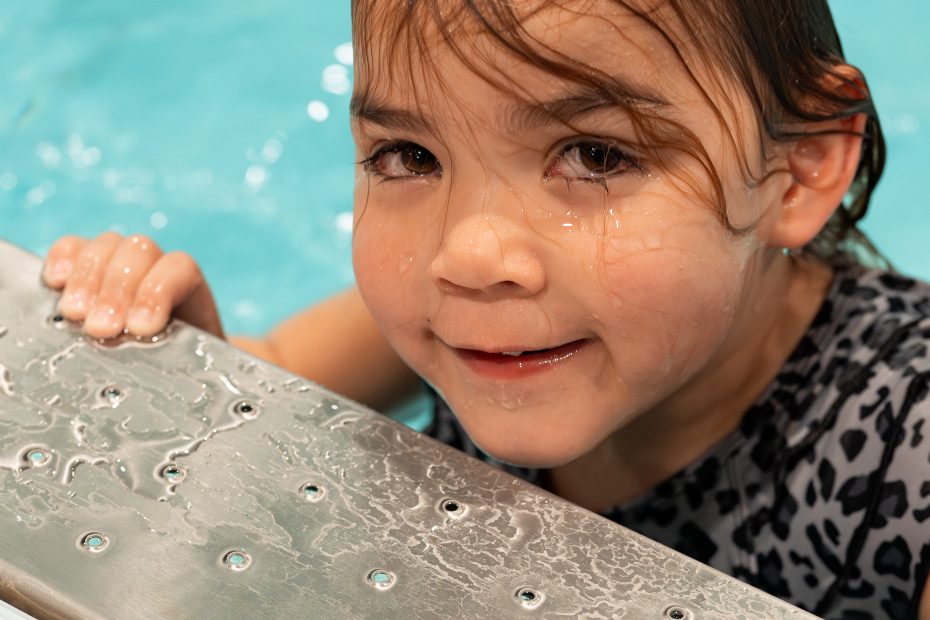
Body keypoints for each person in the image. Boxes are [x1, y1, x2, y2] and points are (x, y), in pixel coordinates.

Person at [41, 1, 929, 617]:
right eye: (408, 156)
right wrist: (192, 364)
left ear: (801, 165)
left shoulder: (909, 450)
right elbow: (267, 397)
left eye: (596, 155)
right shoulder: (472, 327)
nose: (466, 256)